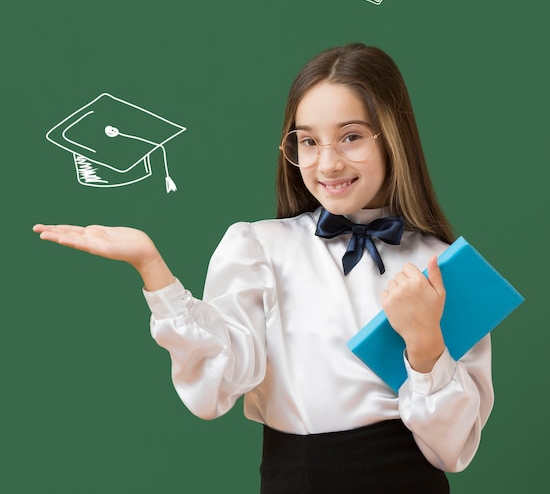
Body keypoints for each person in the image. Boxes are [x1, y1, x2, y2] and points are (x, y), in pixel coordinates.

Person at [34, 44, 493, 493]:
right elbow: (215, 386)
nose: (327, 162)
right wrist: (152, 269)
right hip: (297, 478)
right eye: (308, 141)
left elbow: (452, 451)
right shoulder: (261, 249)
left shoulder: (442, 266)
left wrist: (426, 344)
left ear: (393, 135)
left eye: (351, 136)